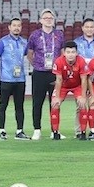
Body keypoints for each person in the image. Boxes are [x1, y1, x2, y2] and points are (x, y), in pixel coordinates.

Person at [27, 9, 65, 140]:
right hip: (39, 73)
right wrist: (37, 65)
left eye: (51, 17)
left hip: (55, 73)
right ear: (40, 20)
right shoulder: (35, 35)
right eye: (45, 17)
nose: (48, 19)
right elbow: (30, 53)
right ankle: (37, 129)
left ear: (54, 20)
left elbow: (62, 53)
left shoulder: (59, 34)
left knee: (54, 102)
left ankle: (54, 129)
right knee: (37, 102)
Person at [0, 18, 29, 140]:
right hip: (6, 79)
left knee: (19, 106)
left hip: (20, 79)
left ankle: (19, 131)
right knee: (3, 105)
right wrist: (6, 68)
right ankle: (2, 131)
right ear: (9, 27)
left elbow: (27, 56)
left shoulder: (25, 42)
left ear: (21, 27)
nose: (16, 28)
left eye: (18, 26)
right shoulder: (2, 42)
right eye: (14, 25)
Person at [49, 42, 90, 140]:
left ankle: (83, 133)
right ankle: (55, 133)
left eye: (73, 52)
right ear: (64, 53)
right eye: (68, 52)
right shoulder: (58, 61)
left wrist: (83, 97)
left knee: (82, 104)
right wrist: (57, 97)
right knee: (54, 104)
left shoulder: (81, 61)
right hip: (63, 86)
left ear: (77, 53)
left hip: (77, 86)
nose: (70, 54)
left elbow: (84, 79)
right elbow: (58, 80)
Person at [73, 18, 94, 136]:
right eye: (87, 27)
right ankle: (79, 130)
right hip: (80, 78)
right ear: (83, 28)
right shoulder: (76, 43)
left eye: (91, 27)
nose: (89, 29)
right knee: (81, 104)